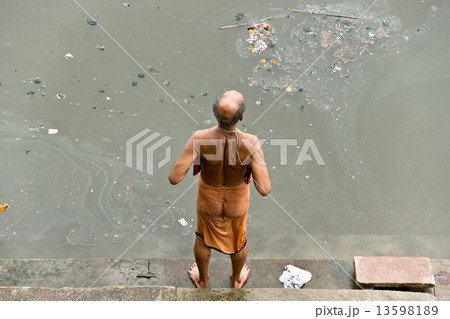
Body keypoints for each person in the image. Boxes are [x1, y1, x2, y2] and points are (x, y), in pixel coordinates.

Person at [168, 90, 271, 288]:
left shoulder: (200, 138)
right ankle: (235, 280)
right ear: (241, 117)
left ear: (213, 111)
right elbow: (264, 189)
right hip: (237, 200)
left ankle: (203, 280)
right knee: (239, 240)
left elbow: (174, 178)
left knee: (202, 238)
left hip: (209, 198)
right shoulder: (251, 142)